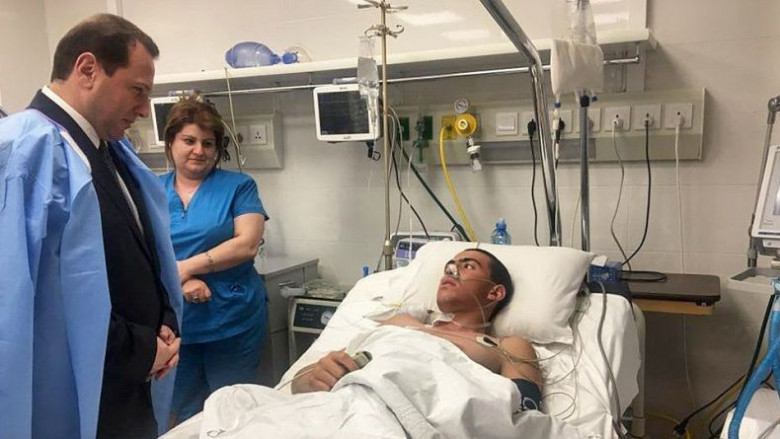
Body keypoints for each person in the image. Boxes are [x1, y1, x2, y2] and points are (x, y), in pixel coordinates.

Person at [0, 13, 182, 439]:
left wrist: (164, 320)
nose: (144, 109)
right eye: (138, 91)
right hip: (70, 392)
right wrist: (141, 350)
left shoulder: (110, 152)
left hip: (126, 385)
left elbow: (144, 252)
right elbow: (36, 300)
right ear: (87, 69)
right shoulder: (22, 152)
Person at [291, 248, 542, 411]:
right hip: (349, 406)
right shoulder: (402, 322)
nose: (451, 271)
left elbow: (525, 412)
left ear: (494, 292)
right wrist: (313, 377)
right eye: (448, 266)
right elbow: (300, 383)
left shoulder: (505, 345)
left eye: (468, 266)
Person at [159, 96, 269, 424]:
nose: (199, 150)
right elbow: (142, 250)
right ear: (170, 142)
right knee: (186, 413)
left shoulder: (238, 186)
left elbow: (247, 244)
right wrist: (182, 281)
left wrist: (185, 268)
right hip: (177, 323)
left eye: (208, 143)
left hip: (232, 318)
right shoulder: (150, 189)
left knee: (233, 412)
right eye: (189, 140)